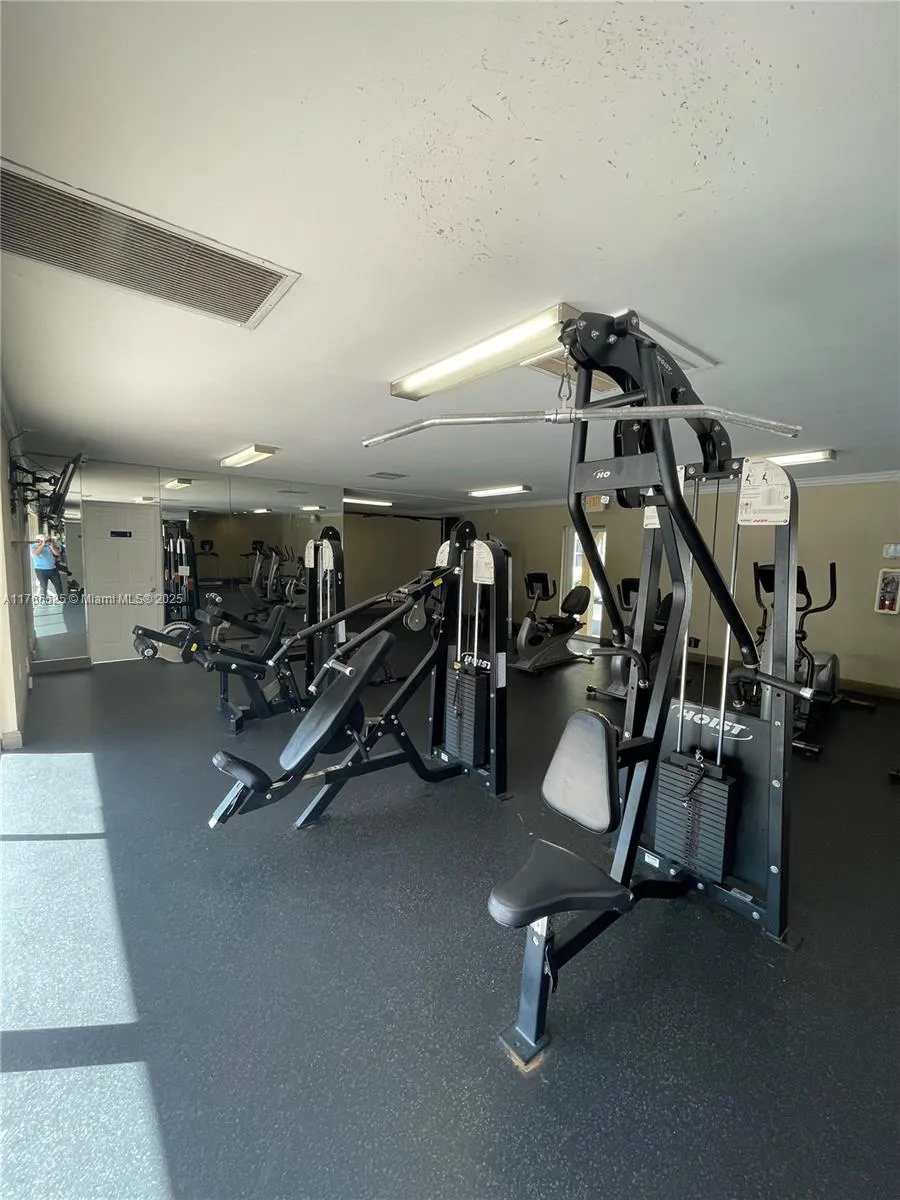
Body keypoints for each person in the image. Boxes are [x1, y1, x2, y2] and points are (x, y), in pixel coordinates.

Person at [31, 534, 64, 601]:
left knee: (58, 584)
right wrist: (42, 545)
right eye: (43, 540)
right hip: (41, 570)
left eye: (45, 540)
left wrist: (51, 547)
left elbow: (57, 553)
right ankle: (44, 600)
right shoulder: (34, 546)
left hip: (52, 569)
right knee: (43, 586)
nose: (45, 542)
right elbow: (36, 553)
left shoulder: (49, 545)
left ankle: (61, 598)